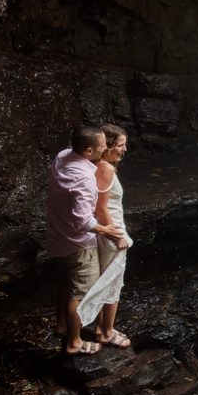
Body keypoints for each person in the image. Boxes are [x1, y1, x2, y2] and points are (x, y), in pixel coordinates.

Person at [46, 126, 124, 355]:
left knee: (66, 282)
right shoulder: (85, 179)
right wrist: (107, 231)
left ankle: (62, 326)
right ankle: (74, 342)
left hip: (56, 235)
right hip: (77, 242)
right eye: (102, 147)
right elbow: (82, 220)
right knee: (82, 291)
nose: (106, 149)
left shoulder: (63, 156)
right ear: (89, 151)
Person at [75, 123, 133, 347]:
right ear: (107, 146)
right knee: (113, 282)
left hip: (111, 229)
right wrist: (117, 235)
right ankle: (105, 331)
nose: (124, 149)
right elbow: (100, 209)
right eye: (120, 144)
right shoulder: (105, 169)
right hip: (112, 230)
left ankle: (102, 326)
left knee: (110, 279)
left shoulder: (102, 165)